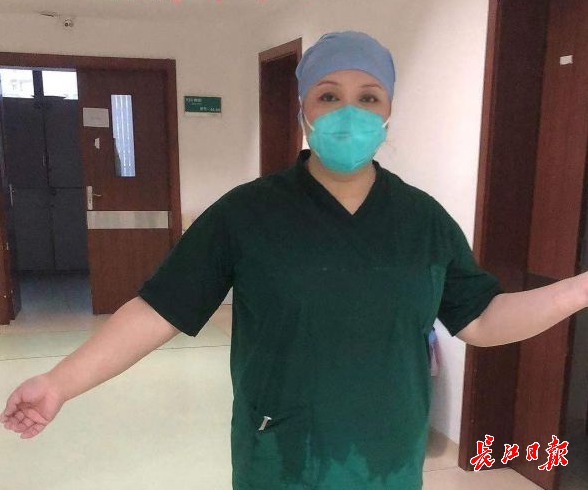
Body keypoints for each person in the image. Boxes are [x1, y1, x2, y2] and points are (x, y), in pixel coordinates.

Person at [2, 31, 587, 490]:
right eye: (329, 96)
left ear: (388, 110)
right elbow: (159, 309)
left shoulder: (422, 220)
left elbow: (479, 318)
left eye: (368, 97)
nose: (349, 112)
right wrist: (58, 382)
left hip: (386, 458)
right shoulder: (248, 213)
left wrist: (579, 288)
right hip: (281, 457)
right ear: (303, 107)